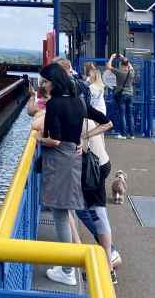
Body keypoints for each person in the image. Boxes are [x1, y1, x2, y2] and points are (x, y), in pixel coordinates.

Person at [39, 61, 111, 287]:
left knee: (61, 213)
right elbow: (107, 122)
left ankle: (67, 269)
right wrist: (84, 138)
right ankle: (67, 265)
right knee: (68, 210)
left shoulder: (54, 105)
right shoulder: (79, 103)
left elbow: (55, 139)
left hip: (59, 161)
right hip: (74, 159)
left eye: (45, 81)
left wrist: (37, 139)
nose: (43, 85)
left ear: (54, 82)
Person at [77, 62, 121, 281]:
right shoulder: (88, 109)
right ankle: (109, 254)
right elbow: (109, 123)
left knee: (95, 211)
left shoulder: (79, 112)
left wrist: (86, 136)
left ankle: (109, 262)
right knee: (86, 209)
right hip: (100, 164)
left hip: (93, 167)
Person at [109, 54, 137, 138]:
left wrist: (111, 57)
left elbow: (108, 67)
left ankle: (123, 134)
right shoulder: (131, 72)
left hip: (122, 95)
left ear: (121, 65)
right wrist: (123, 58)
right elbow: (130, 66)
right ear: (127, 65)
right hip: (130, 95)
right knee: (130, 115)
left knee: (122, 115)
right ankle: (132, 134)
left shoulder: (119, 72)